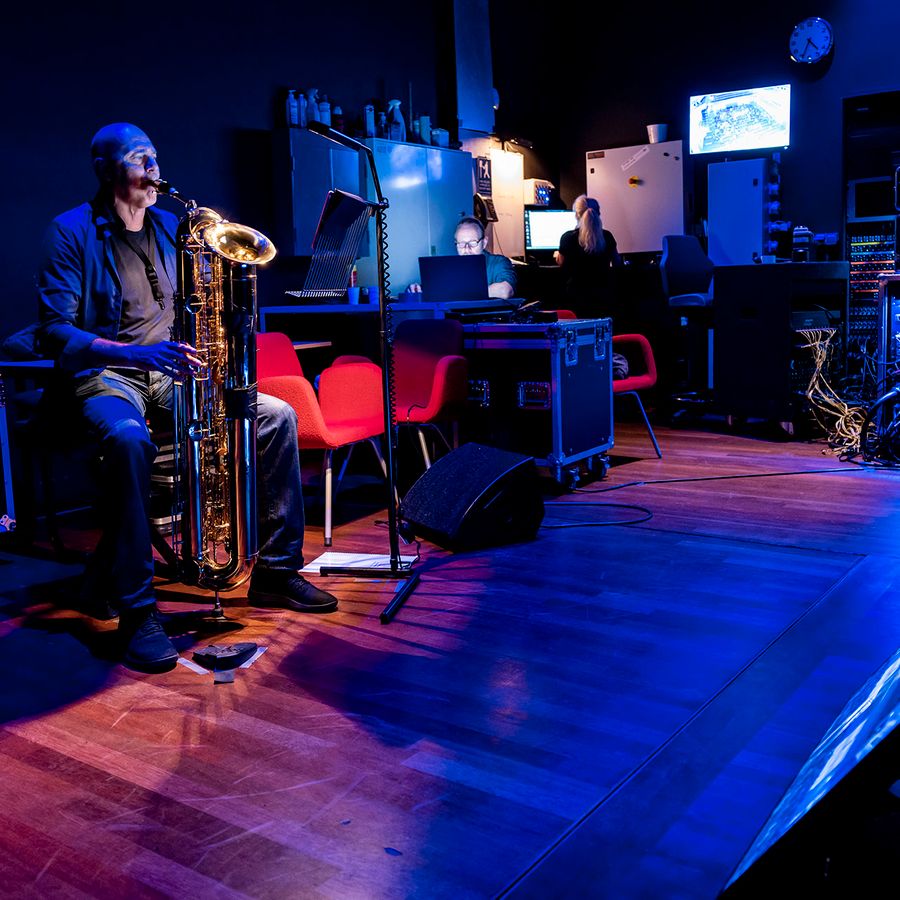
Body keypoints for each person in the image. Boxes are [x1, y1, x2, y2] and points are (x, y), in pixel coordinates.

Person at [37, 122, 338, 674]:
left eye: (155, 157)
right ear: (105, 169)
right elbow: (55, 332)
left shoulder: (174, 229)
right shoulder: (70, 231)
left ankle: (275, 571)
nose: (154, 169)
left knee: (275, 416)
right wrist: (138, 355)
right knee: (127, 440)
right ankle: (137, 611)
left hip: (173, 375)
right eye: (139, 159)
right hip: (108, 377)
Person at [408, 216, 516, 299]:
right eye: (461, 244)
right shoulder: (449, 268)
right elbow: (432, 291)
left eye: (473, 243)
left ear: (484, 243)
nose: (467, 249)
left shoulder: (498, 263)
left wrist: (458, 293)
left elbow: (505, 291)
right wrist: (417, 290)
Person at [555, 195, 621, 317]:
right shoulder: (607, 236)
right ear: (599, 213)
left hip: (575, 297)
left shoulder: (567, 238)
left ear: (576, 215)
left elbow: (562, 264)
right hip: (604, 295)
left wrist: (557, 256)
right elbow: (617, 262)